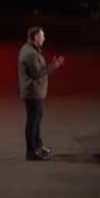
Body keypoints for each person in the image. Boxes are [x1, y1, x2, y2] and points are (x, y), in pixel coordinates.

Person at [20, 26, 65, 161]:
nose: (44, 38)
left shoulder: (32, 49)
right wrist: (55, 65)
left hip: (35, 92)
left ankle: (38, 147)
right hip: (33, 93)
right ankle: (31, 152)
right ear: (35, 37)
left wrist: (51, 64)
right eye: (42, 36)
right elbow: (37, 73)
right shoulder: (30, 53)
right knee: (33, 121)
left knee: (37, 118)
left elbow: (39, 69)